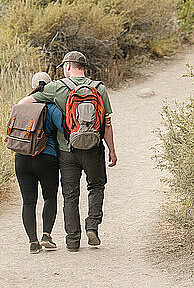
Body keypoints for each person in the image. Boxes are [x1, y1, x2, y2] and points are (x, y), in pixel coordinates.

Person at [18, 51, 117, 252]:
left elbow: (24, 104)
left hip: (67, 151)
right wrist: (112, 151)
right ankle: (92, 227)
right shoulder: (99, 88)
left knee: (70, 194)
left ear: (68, 67)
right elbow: (107, 124)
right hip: (94, 149)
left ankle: (72, 241)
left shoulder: (57, 87)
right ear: (84, 67)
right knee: (96, 186)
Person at [15, 72, 64, 254]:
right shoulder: (51, 108)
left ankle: (33, 242)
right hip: (47, 158)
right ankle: (46, 235)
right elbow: (65, 128)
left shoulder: (21, 106)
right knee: (49, 198)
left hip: (22, 158)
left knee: (28, 202)